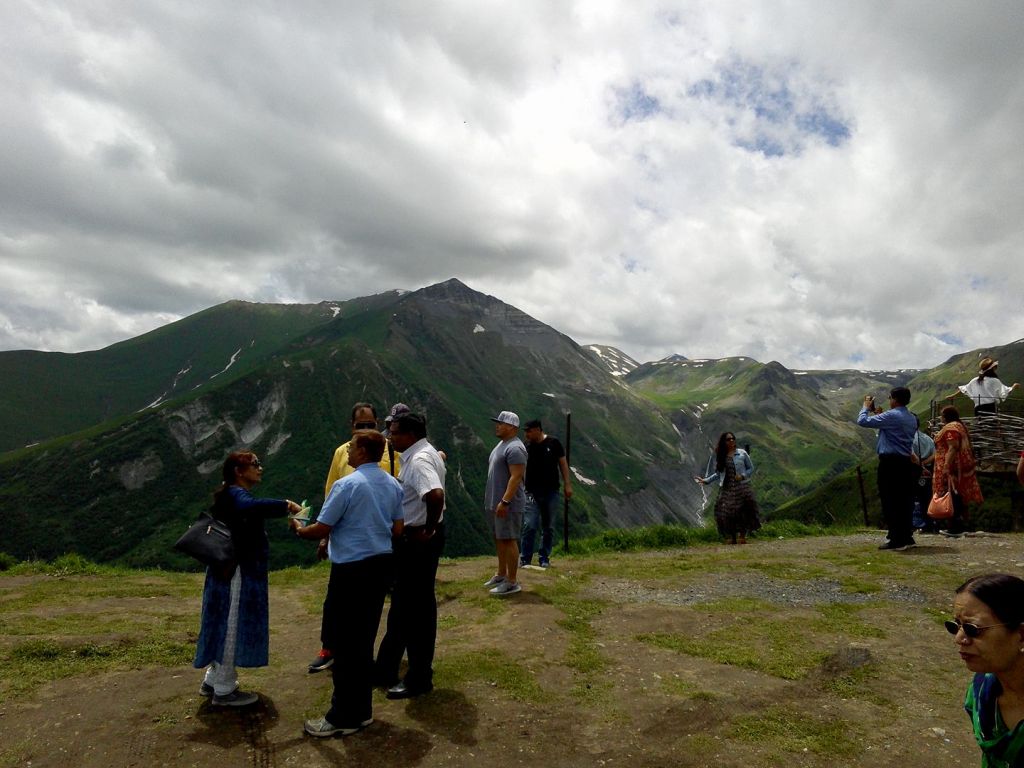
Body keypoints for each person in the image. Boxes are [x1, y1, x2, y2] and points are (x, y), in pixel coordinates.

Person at [291, 430, 403, 738]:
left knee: (343, 642)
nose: (348, 452)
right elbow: (398, 528)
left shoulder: (346, 485)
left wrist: (299, 529)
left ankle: (342, 716)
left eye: (352, 447)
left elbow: (321, 528)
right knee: (364, 639)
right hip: (381, 566)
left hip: (351, 569)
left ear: (364, 451)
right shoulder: (393, 484)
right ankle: (362, 711)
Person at [194, 452, 303, 706]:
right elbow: (248, 506)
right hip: (237, 572)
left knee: (222, 620)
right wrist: (285, 504)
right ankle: (224, 690)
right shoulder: (237, 495)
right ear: (238, 471)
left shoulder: (228, 493)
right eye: (255, 465)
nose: (260, 469)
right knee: (233, 622)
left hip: (225, 569)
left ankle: (212, 679)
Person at [309, 402, 401, 673]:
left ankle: (357, 656)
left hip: (377, 541)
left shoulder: (390, 451)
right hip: (348, 541)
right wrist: (323, 537)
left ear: (377, 425)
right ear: (351, 427)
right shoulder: (342, 453)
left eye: (370, 425)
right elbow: (330, 492)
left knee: (366, 606)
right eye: (360, 425)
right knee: (336, 600)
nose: (365, 429)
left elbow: (398, 489)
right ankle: (330, 647)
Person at [375, 412, 446, 699]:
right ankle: (386, 668)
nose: (390, 438)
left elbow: (435, 495)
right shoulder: (426, 453)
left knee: (416, 610)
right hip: (418, 539)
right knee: (406, 607)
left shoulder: (418, 461)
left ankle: (419, 677)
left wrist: (427, 529)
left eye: (394, 433)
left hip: (418, 541)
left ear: (410, 435)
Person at [949, 573, 1024, 765]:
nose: (959, 638)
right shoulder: (981, 692)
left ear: (1021, 635)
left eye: (973, 629)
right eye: (956, 626)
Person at [857, 387, 918, 551]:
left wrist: (865, 407)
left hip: (890, 463)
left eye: (890, 397)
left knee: (890, 499)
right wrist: (878, 415)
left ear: (895, 399)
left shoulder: (892, 415)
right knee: (904, 501)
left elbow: (862, 421)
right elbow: (891, 429)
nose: (889, 400)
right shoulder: (911, 418)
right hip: (905, 462)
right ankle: (906, 535)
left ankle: (896, 538)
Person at [483, 410, 527, 596]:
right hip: (495, 502)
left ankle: (512, 581)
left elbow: (516, 477)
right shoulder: (502, 444)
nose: (497, 425)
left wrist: (505, 501)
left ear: (512, 427)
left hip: (507, 503)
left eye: (501, 423)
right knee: (499, 537)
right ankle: (501, 574)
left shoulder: (515, 448)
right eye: (497, 422)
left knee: (509, 539)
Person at [519, 419, 572, 568]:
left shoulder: (553, 443)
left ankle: (544, 557)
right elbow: (521, 467)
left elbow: (563, 464)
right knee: (530, 524)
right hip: (531, 492)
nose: (526, 434)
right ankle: (525, 558)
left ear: (537, 430)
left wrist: (568, 484)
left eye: (529, 431)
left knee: (548, 526)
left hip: (551, 491)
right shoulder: (526, 446)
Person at [695, 432, 760, 545]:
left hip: (742, 487)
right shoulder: (722, 457)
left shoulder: (742, 453)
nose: (731, 441)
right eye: (728, 439)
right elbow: (718, 474)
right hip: (727, 488)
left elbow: (751, 468)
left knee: (743, 511)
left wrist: (742, 476)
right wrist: (706, 481)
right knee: (725, 513)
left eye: (732, 438)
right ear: (724, 442)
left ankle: (742, 536)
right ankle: (732, 537)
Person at [933, 405, 984, 537]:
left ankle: (954, 527)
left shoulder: (951, 428)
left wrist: (946, 466)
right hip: (960, 467)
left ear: (946, 417)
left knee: (952, 494)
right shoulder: (959, 426)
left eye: (942, 415)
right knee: (958, 494)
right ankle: (958, 524)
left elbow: (953, 447)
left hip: (954, 468)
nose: (940, 418)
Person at [947, 358, 1020, 416]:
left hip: (978, 409)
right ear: (992, 369)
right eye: (994, 367)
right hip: (990, 408)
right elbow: (1005, 392)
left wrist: (953, 396)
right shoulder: (995, 381)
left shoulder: (975, 380)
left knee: (980, 427)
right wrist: (1013, 386)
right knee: (990, 429)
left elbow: (964, 389)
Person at [911, 417, 938, 534]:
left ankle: (916, 524)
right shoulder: (927, 438)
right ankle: (930, 523)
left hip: (914, 469)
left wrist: (919, 465)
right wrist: (925, 464)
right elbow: (935, 454)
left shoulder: (909, 439)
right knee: (927, 497)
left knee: (913, 497)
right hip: (928, 469)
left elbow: (910, 455)